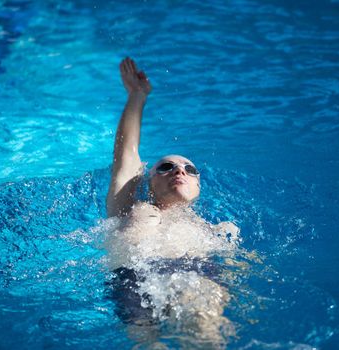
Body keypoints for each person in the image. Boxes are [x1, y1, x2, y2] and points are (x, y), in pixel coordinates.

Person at [105, 57, 239, 348]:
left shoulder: (213, 229)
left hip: (197, 278)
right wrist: (137, 95)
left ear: (198, 186)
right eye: (166, 167)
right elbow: (125, 154)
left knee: (207, 339)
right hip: (135, 279)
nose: (180, 171)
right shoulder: (131, 208)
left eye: (189, 169)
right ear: (147, 180)